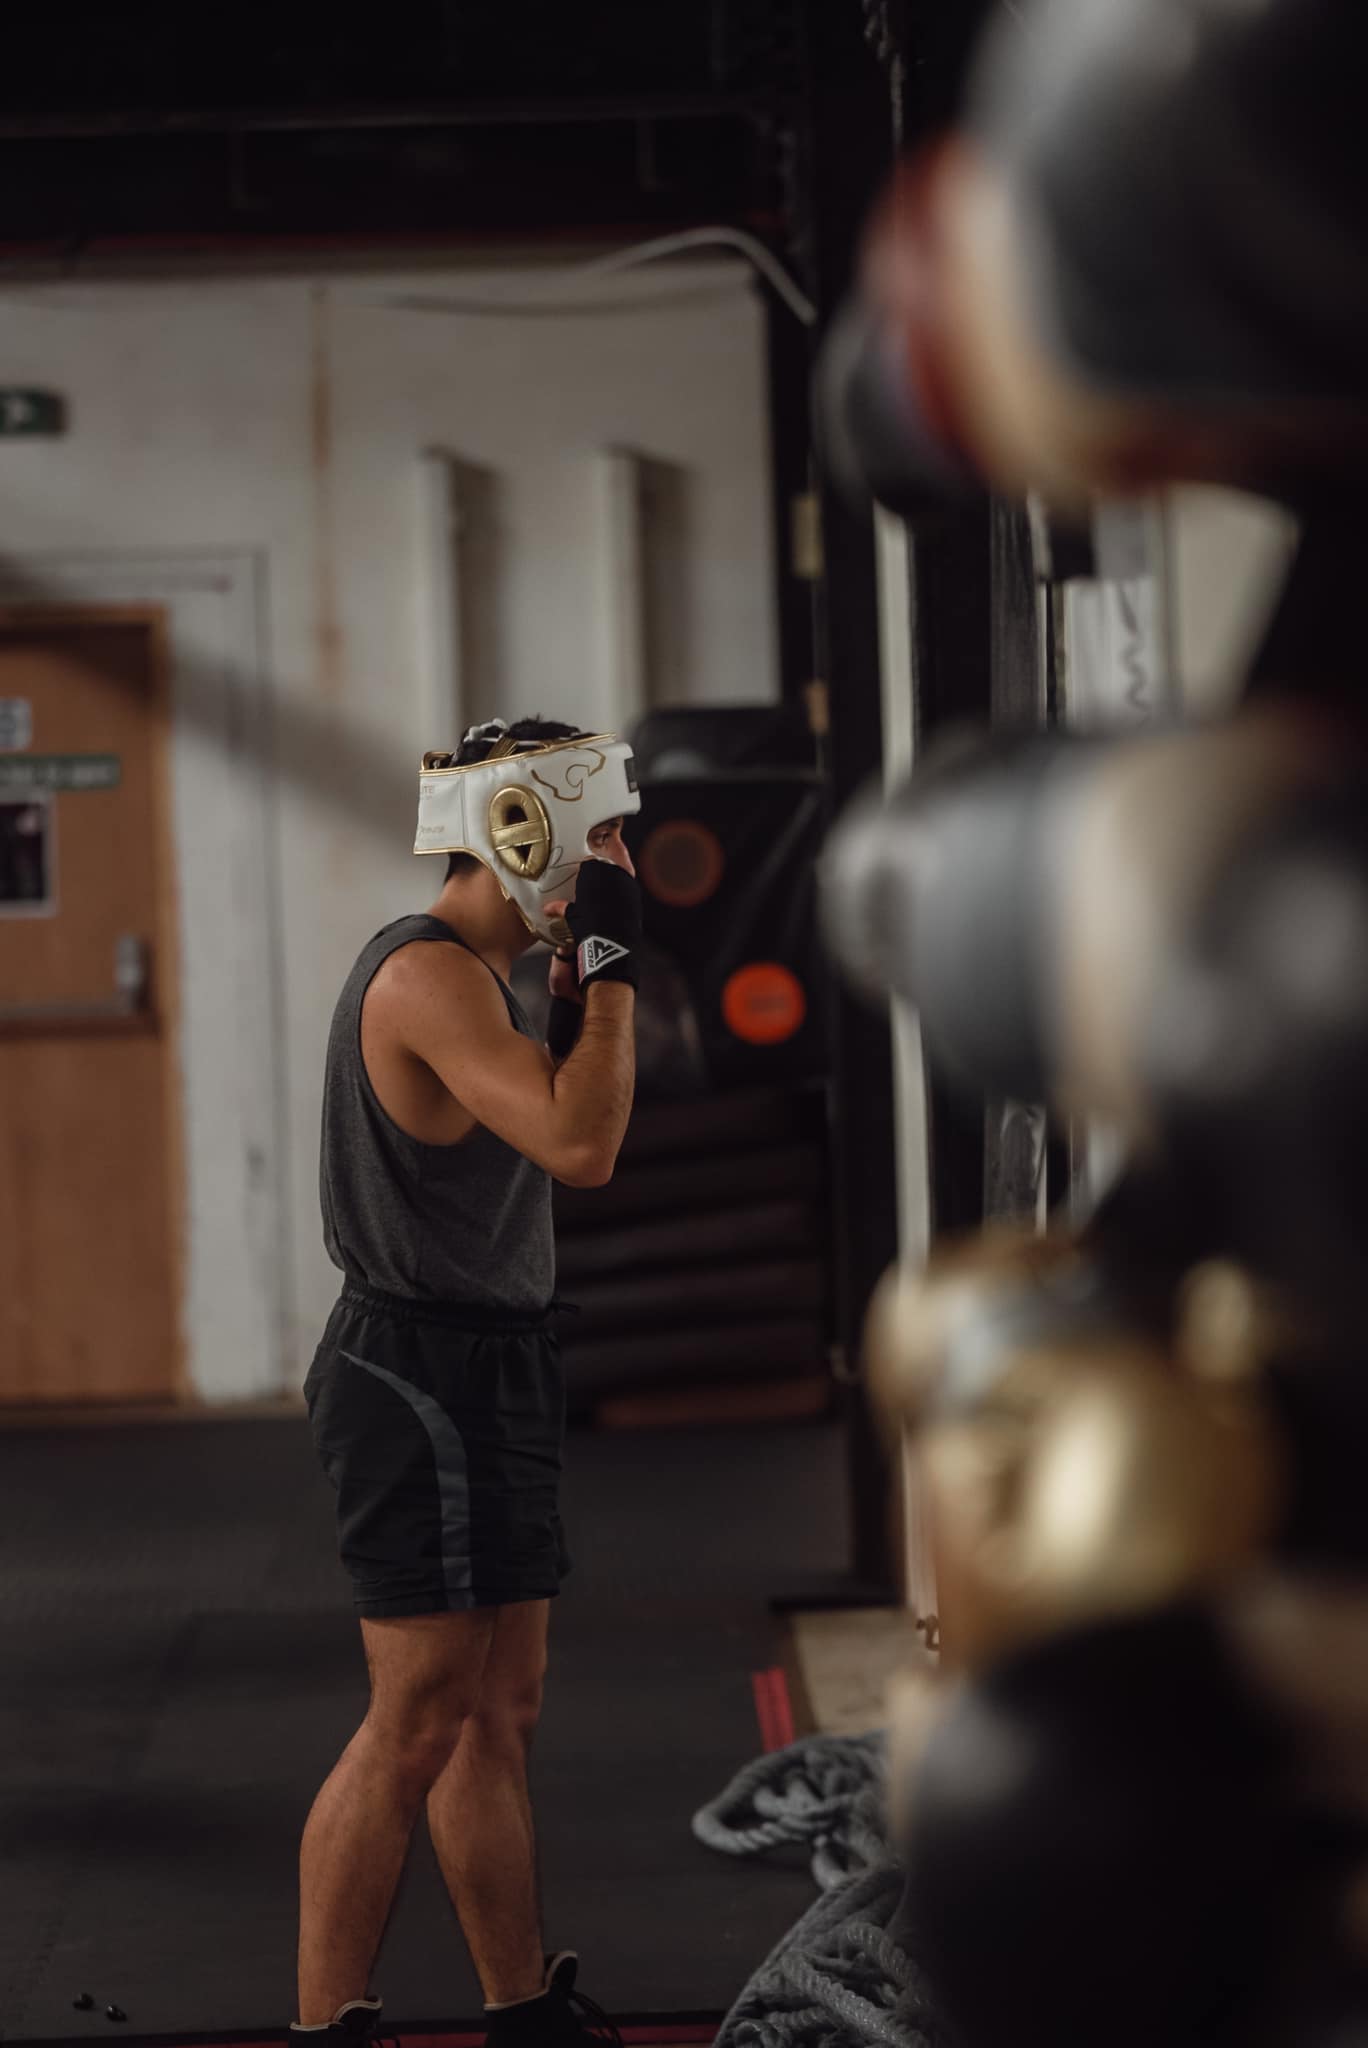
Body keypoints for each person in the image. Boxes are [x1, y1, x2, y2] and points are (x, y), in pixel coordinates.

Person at [295, 715, 642, 2047]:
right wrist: (611, 967)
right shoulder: (427, 978)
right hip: (418, 1374)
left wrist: (580, 983)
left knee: (499, 1711)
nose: (616, 863)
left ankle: (520, 2014)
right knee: (416, 1720)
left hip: (491, 1360)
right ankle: (327, 2029)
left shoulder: (484, 981)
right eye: (600, 837)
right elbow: (583, 1147)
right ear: (524, 833)